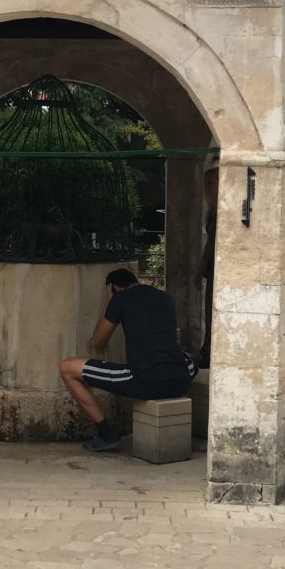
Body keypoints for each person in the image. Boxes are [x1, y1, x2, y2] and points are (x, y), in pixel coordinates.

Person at [59, 268, 198, 452]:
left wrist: (108, 301)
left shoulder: (120, 298)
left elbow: (99, 341)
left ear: (114, 287)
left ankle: (105, 433)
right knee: (188, 358)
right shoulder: (165, 297)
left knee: (67, 368)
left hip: (145, 381)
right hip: (181, 378)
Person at [195, 166, 219, 368]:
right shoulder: (212, 210)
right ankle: (207, 350)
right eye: (206, 183)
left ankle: (210, 352)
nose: (207, 188)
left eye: (211, 183)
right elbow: (209, 241)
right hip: (212, 268)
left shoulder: (220, 210)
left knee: (213, 310)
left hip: (218, 269)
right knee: (209, 310)